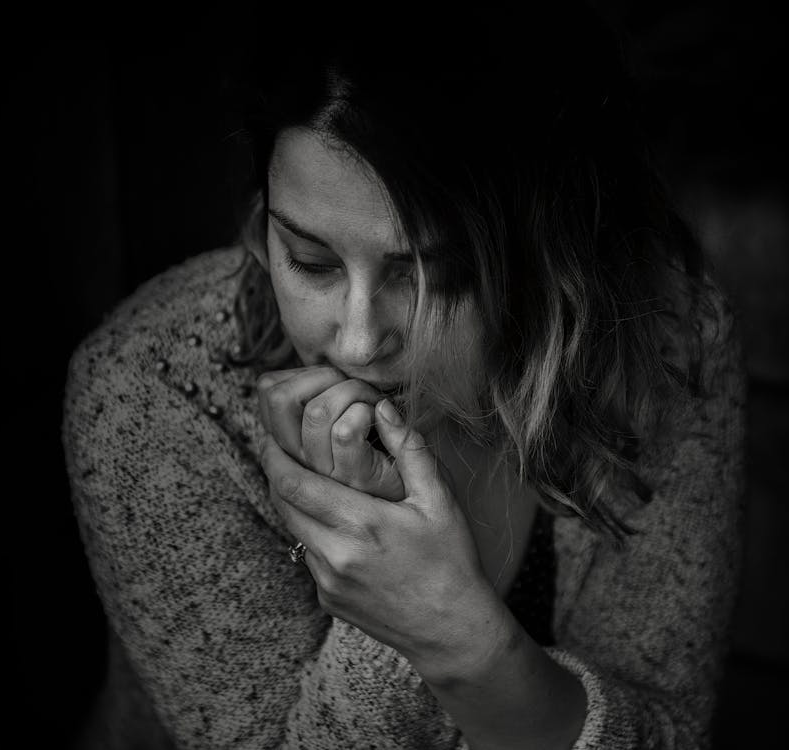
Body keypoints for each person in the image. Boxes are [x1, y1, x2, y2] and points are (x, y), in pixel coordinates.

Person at [62, 6, 745, 748]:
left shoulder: (662, 341)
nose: (357, 340)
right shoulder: (155, 391)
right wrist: (389, 619)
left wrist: (458, 638)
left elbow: (673, 733)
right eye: (311, 262)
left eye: (437, 276)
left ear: (554, 260)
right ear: (262, 227)